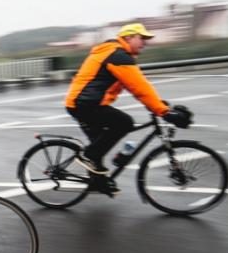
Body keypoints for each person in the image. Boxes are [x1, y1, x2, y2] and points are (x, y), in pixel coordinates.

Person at [64, 23, 192, 192]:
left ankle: (99, 183)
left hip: (83, 103)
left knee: (99, 145)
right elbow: (140, 88)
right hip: (84, 105)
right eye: (141, 38)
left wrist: (160, 105)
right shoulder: (118, 56)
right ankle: (88, 157)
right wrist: (165, 112)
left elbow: (138, 87)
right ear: (128, 38)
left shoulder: (116, 53)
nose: (144, 43)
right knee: (123, 123)